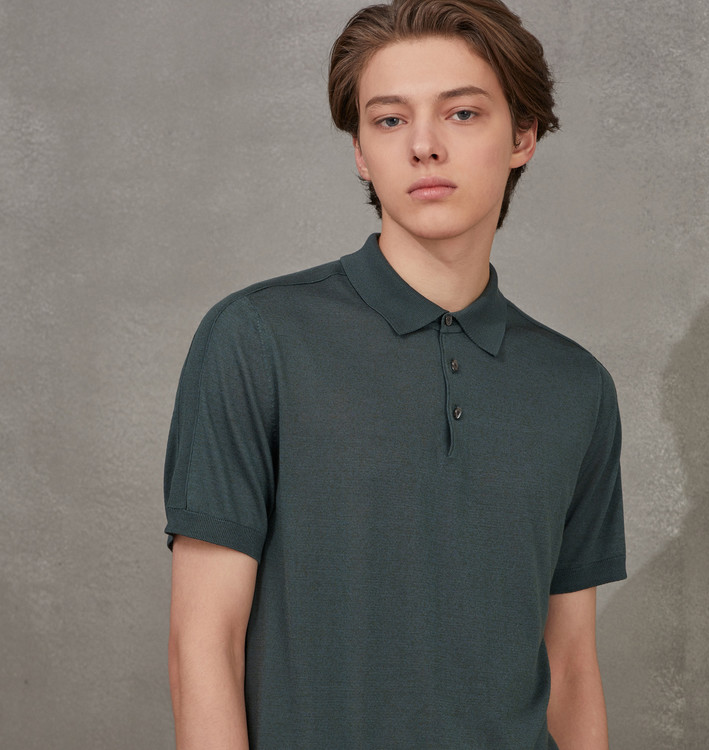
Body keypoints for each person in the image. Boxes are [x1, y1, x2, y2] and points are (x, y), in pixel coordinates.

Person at [164, 1, 626, 748]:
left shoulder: (577, 387)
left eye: (462, 113)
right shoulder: (256, 339)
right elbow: (203, 645)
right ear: (360, 152)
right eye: (388, 120)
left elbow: (571, 667)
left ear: (523, 136)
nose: (423, 146)